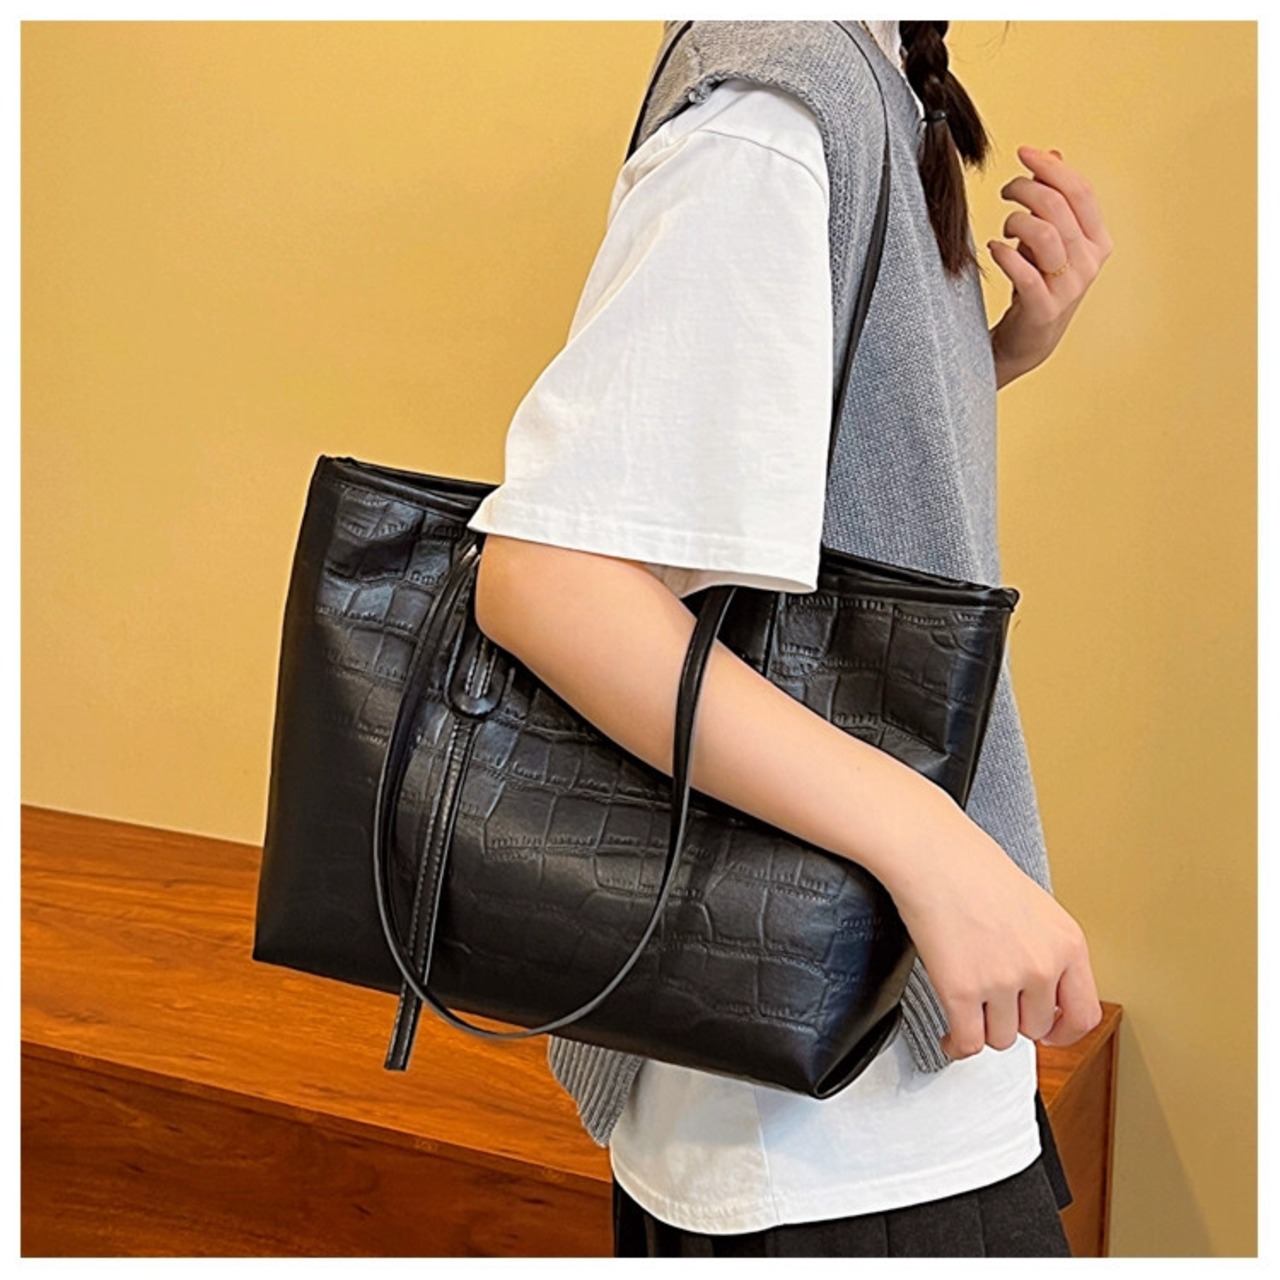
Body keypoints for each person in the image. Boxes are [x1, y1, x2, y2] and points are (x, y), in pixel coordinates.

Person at [465, 19, 1113, 1258]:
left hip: (872, 1067)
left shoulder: (862, 83)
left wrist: (992, 358)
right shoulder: (775, 115)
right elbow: (547, 576)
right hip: (824, 1116)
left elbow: (807, 486)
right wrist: (939, 844)